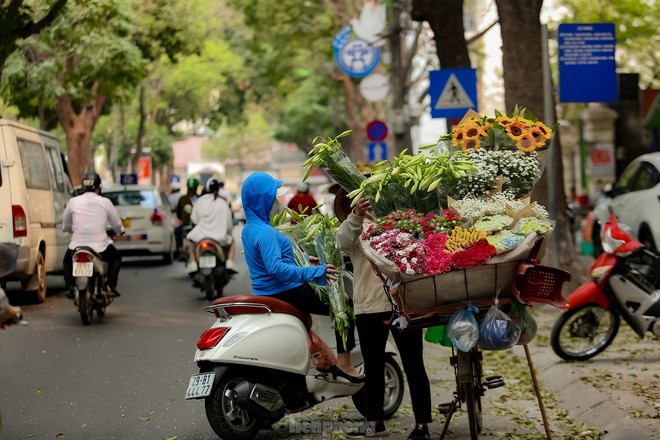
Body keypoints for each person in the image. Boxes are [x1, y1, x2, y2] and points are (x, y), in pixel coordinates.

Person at [240, 172, 363, 381]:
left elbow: (273, 261)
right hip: (285, 290)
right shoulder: (266, 233)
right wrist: (315, 273)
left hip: (265, 291)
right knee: (343, 308)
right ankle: (344, 363)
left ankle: (322, 356)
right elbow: (276, 268)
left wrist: (306, 259)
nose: (277, 201)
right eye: (272, 197)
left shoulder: (250, 228)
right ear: (263, 199)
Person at [335, 190, 432, 440]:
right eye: (360, 200)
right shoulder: (354, 226)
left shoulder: (398, 221)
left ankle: (422, 424)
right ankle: (374, 422)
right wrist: (355, 216)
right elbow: (342, 242)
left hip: (403, 304)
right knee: (374, 366)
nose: (368, 203)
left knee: (414, 364)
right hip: (369, 306)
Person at [62, 172, 125, 297]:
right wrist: (120, 231)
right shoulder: (105, 202)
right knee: (116, 258)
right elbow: (116, 223)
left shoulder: (73, 201)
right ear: (98, 187)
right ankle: (109, 286)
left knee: (67, 262)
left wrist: (70, 229)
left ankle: (70, 287)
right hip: (100, 247)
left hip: (77, 246)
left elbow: (66, 224)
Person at [185, 178, 238, 274]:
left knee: (190, 241)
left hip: (200, 236)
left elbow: (194, 219)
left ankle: (193, 263)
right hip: (220, 238)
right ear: (218, 189)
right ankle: (229, 262)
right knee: (232, 241)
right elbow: (229, 224)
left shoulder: (200, 201)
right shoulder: (223, 203)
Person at [175, 177, 199, 260]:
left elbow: (178, 214)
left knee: (177, 231)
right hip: (198, 226)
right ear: (197, 187)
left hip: (185, 226)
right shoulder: (200, 198)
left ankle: (180, 249)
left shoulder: (182, 199)